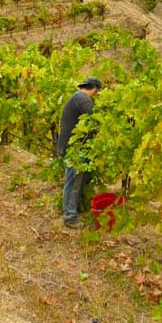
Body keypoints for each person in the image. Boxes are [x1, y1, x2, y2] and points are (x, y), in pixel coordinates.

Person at [56, 77, 102, 228]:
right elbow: (98, 118)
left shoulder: (77, 97)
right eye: (97, 91)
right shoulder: (82, 99)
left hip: (73, 146)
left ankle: (72, 211)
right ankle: (70, 217)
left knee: (75, 181)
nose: (97, 94)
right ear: (94, 88)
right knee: (74, 182)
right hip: (75, 149)